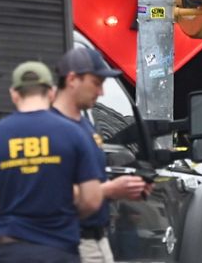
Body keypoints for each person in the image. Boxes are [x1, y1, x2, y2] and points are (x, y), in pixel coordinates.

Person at [0, 61, 104, 263]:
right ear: (51, 93)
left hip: (9, 249)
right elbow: (92, 199)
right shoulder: (73, 133)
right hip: (59, 248)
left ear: (14, 94)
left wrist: (0, 216)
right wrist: (67, 216)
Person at [52, 47, 151, 263]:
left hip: (97, 239)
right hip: (72, 243)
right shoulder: (51, 130)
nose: (101, 92)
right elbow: (51, 192)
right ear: (72, 79)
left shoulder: (84, 125)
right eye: (96, 83)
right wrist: (110, 189)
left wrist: (124, 189)